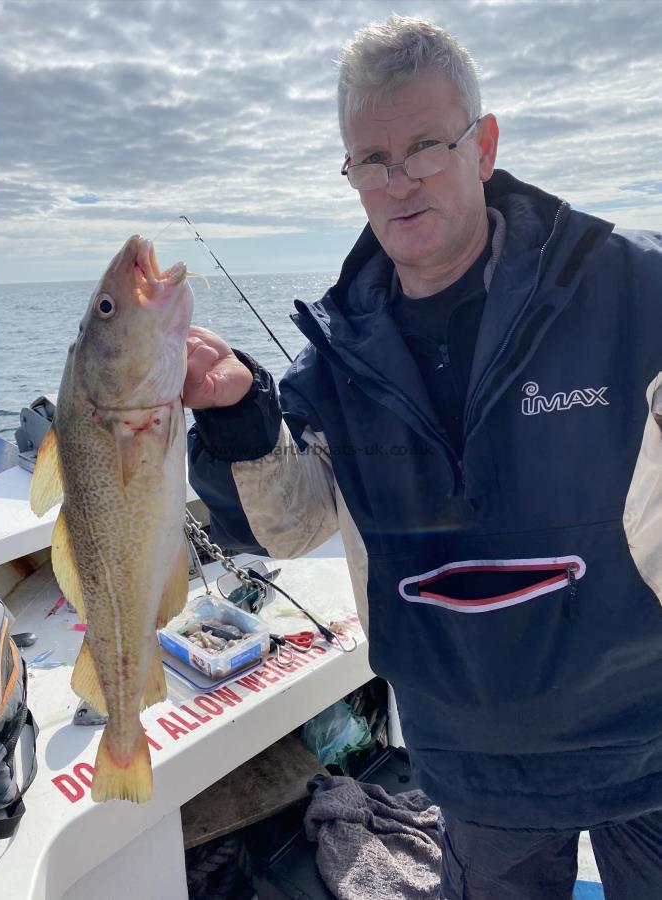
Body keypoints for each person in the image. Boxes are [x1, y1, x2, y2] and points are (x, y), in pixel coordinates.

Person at [182, 15, 662, 899]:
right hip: (470, 758)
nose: (397, 181)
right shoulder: (336, 354)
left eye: (424, 147)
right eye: (370, 159)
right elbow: (286, 527)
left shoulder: (634, 287)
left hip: (648, 733)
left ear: (481, 146)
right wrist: (234, 412)